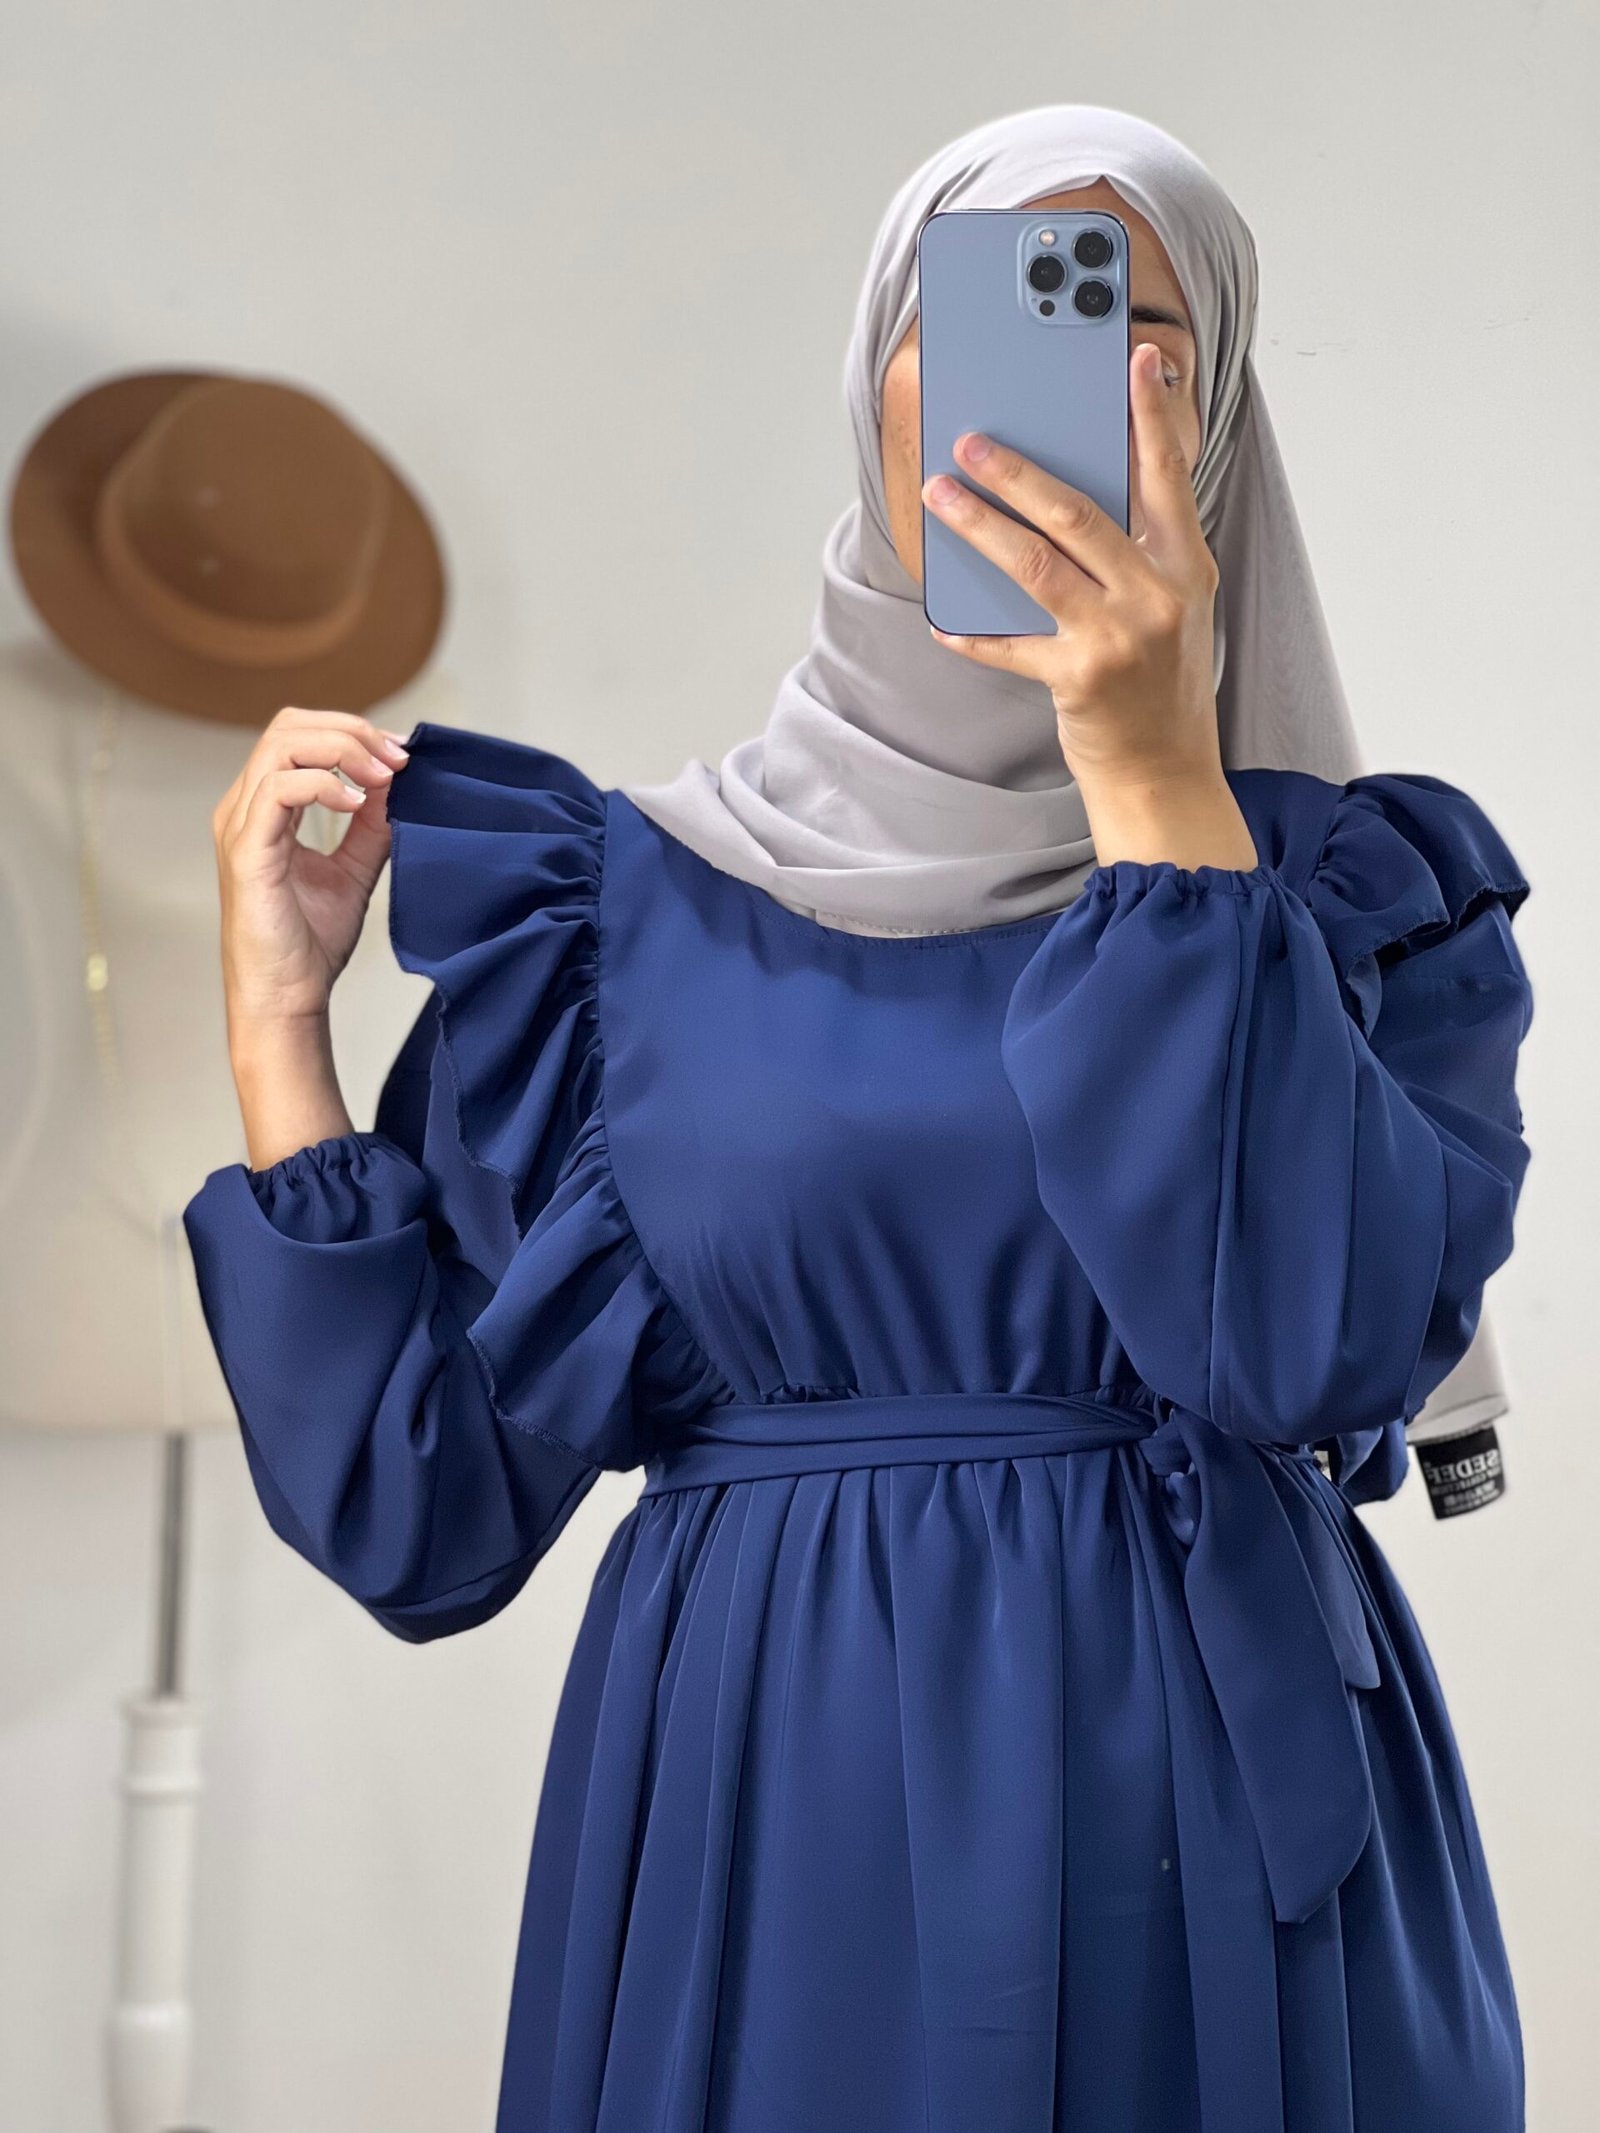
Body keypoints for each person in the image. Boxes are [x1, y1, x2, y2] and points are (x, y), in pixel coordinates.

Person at [182, 106, 1534, 2133]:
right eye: (1000, 315)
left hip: (1219, 1835)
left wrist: (1154, 781)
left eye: (1141, 335)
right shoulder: (613, 921)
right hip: (771, 1825)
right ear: (877, 373)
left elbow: (1302, 1352)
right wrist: (282, 1022)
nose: (1064, 385)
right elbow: (424, 1523)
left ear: (1218, 415)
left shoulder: (1355, 905)